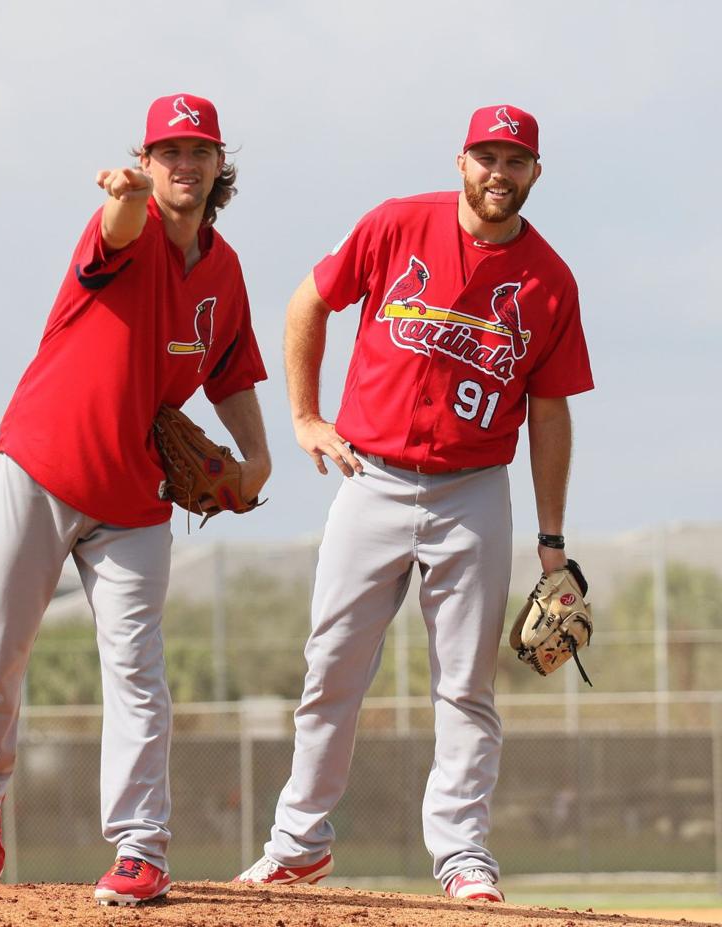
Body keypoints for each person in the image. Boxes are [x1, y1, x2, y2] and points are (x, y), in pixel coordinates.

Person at [235, 105, 593, 902]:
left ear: (537, 172)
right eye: (487, 157)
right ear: (462, 159)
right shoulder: (397, 224)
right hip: (373, 477)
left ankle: (464, 854)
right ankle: (298, 842)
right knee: (331, 665)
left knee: (466, 684)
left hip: (474, 490)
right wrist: (303, 417)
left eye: (516, 160)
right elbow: (308, 302)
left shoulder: (550, 280)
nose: (498, 173)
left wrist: (552, 538)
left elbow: (553, 408)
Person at [0, 93, 271, 906]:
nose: (184, 164)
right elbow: (118, 224)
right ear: (148, 159)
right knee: (3, 653)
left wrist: (258, 455)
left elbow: (231, 372)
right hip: (39, 466)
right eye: (168, 151)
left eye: (198, 151)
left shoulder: (225, 271)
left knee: (137, 669)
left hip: (134, 497)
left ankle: (141, 845)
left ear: (217, 163)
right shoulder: (121, 233)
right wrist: (122, 195)